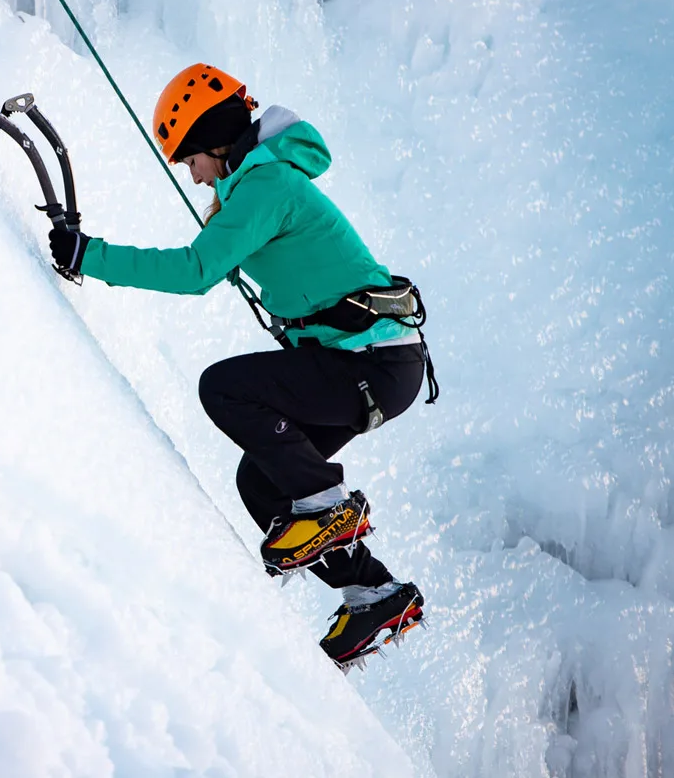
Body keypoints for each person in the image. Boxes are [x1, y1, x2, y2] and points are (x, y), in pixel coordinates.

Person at [48, 63, 431, 667]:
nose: (191, 174)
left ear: (213, 138)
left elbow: (193, 271)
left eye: (188, 159)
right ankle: (371, 593)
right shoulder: (256, 191)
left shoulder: (267, 187)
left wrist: (88, 254)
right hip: (374, 367)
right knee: (260, 482)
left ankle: (330, 506)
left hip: (374, 363)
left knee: (223, 388)